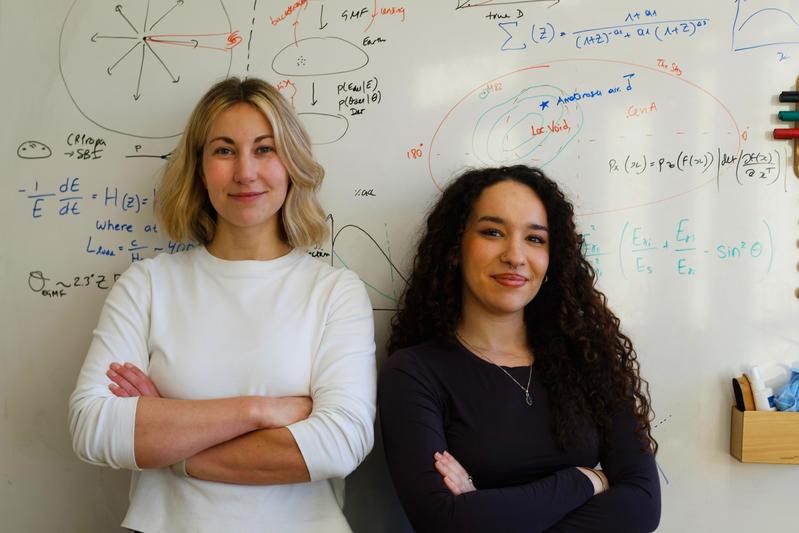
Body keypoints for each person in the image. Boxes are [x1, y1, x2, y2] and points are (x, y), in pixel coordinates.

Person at [68, 77, 376, 533]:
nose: (245, 172)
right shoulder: (148, 285)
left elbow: (339, 443)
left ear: (291, 163)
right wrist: (259, 411)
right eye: (224, 150)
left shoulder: (335, 292)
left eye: (265, 149)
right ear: (198, 166)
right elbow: (93, 428)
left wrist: (174, 446)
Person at [378, 165, 661, 532]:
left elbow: (640, 507)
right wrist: (586, 481)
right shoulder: (413, 372)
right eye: (493, 232)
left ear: (551, 257)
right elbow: (446, 523)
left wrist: (485, 509)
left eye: (535, 239)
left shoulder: (588, 357)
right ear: (455, 246)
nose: (515, 255)